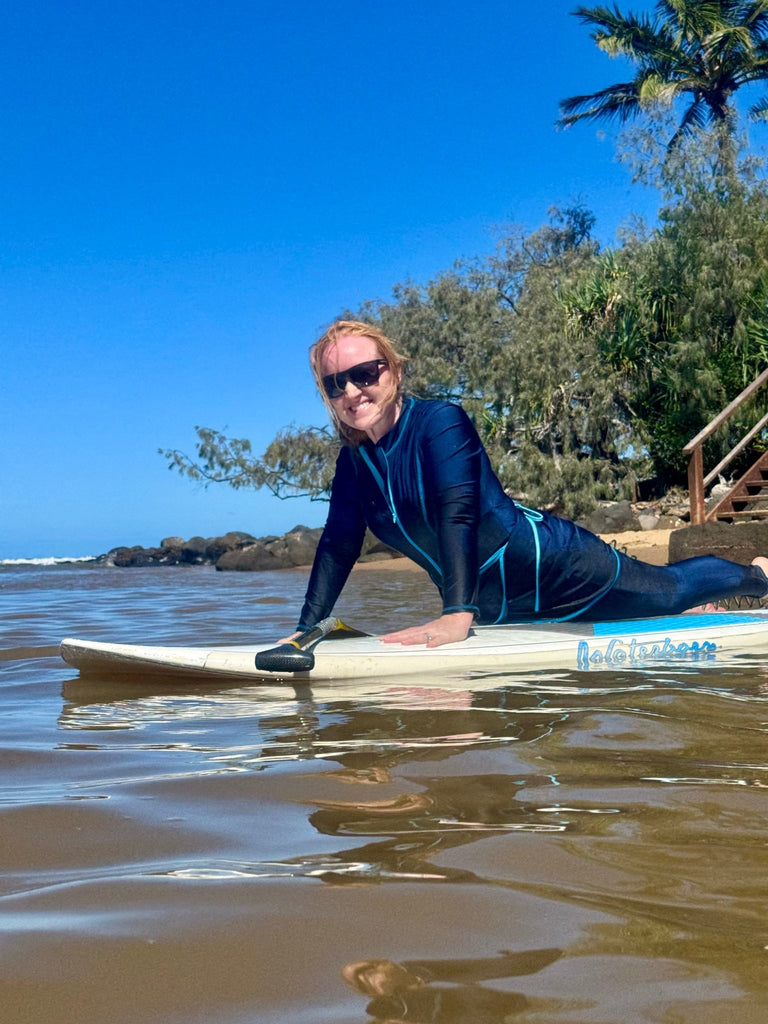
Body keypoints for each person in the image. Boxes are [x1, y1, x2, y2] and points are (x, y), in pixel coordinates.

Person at [288, 319, 768, 649]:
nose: (351, 391)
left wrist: (457, 612)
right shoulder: (354, 464)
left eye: (363, 374)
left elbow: (460, 513)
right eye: (335, 384)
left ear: (391, 370)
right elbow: (337, 545)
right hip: (492, 606)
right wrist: (305, 631)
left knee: (669, 591)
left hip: (560, 567)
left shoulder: (440, 423)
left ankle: (758, 576)